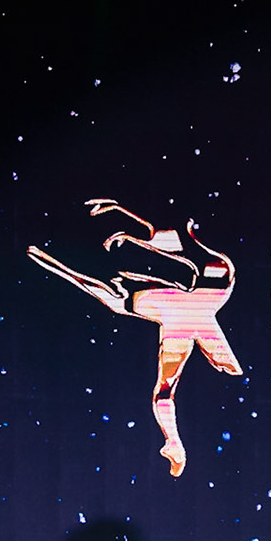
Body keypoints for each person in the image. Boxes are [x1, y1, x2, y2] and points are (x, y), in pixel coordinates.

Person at [27, 200, 240, 477]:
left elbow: (86, 280)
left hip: (186, 301)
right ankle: (175, 443)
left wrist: (124, 223)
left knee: (169, 384)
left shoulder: (136, 297)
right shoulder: (155, 300)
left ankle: (175, 442)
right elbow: (86, 280)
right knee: (167, 386)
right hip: (186, 303)